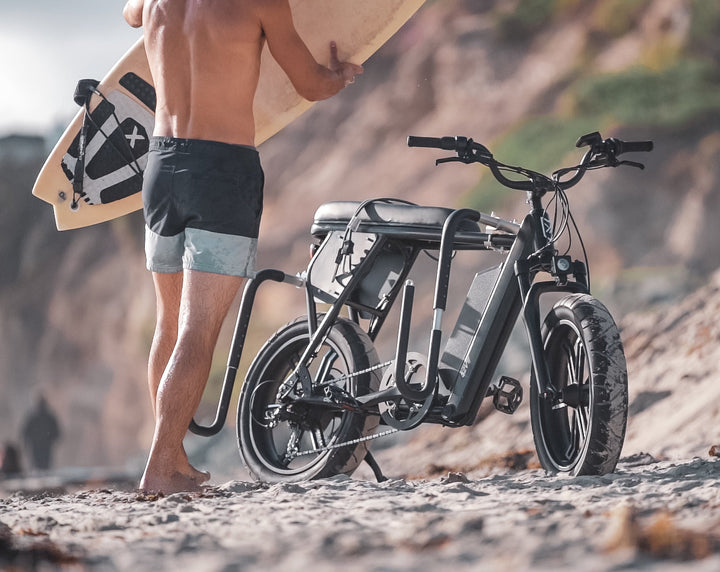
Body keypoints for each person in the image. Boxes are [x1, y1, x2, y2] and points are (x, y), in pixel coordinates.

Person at [122, 0, 363, 494]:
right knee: (197, 327)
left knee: (169, 323)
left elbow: (130, 15)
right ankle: (162, 464)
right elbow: (309, 84)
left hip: (161, 166)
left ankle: (173, 456)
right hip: (222, 170)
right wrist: (340, 75)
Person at [21, 396, 61, 471]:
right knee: (41, 465)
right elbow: (26, 431)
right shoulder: (47, 417)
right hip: (41, 446)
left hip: (42, 446)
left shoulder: (35, 416)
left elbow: (25, 432)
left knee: (40, 465)